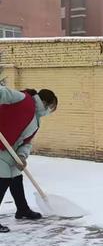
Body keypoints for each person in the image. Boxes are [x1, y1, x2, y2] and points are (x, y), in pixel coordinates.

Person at [0, 87, 58, 233]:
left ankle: (22, 210)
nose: (49, 112)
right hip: (1, 146)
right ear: (44, 102)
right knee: (3, 180)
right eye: (51, 108)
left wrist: (22, 156)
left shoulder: (36, 120)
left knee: (16, 178)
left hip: (10, 150)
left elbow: (26, 142)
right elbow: (2, 92)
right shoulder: (23, 99)